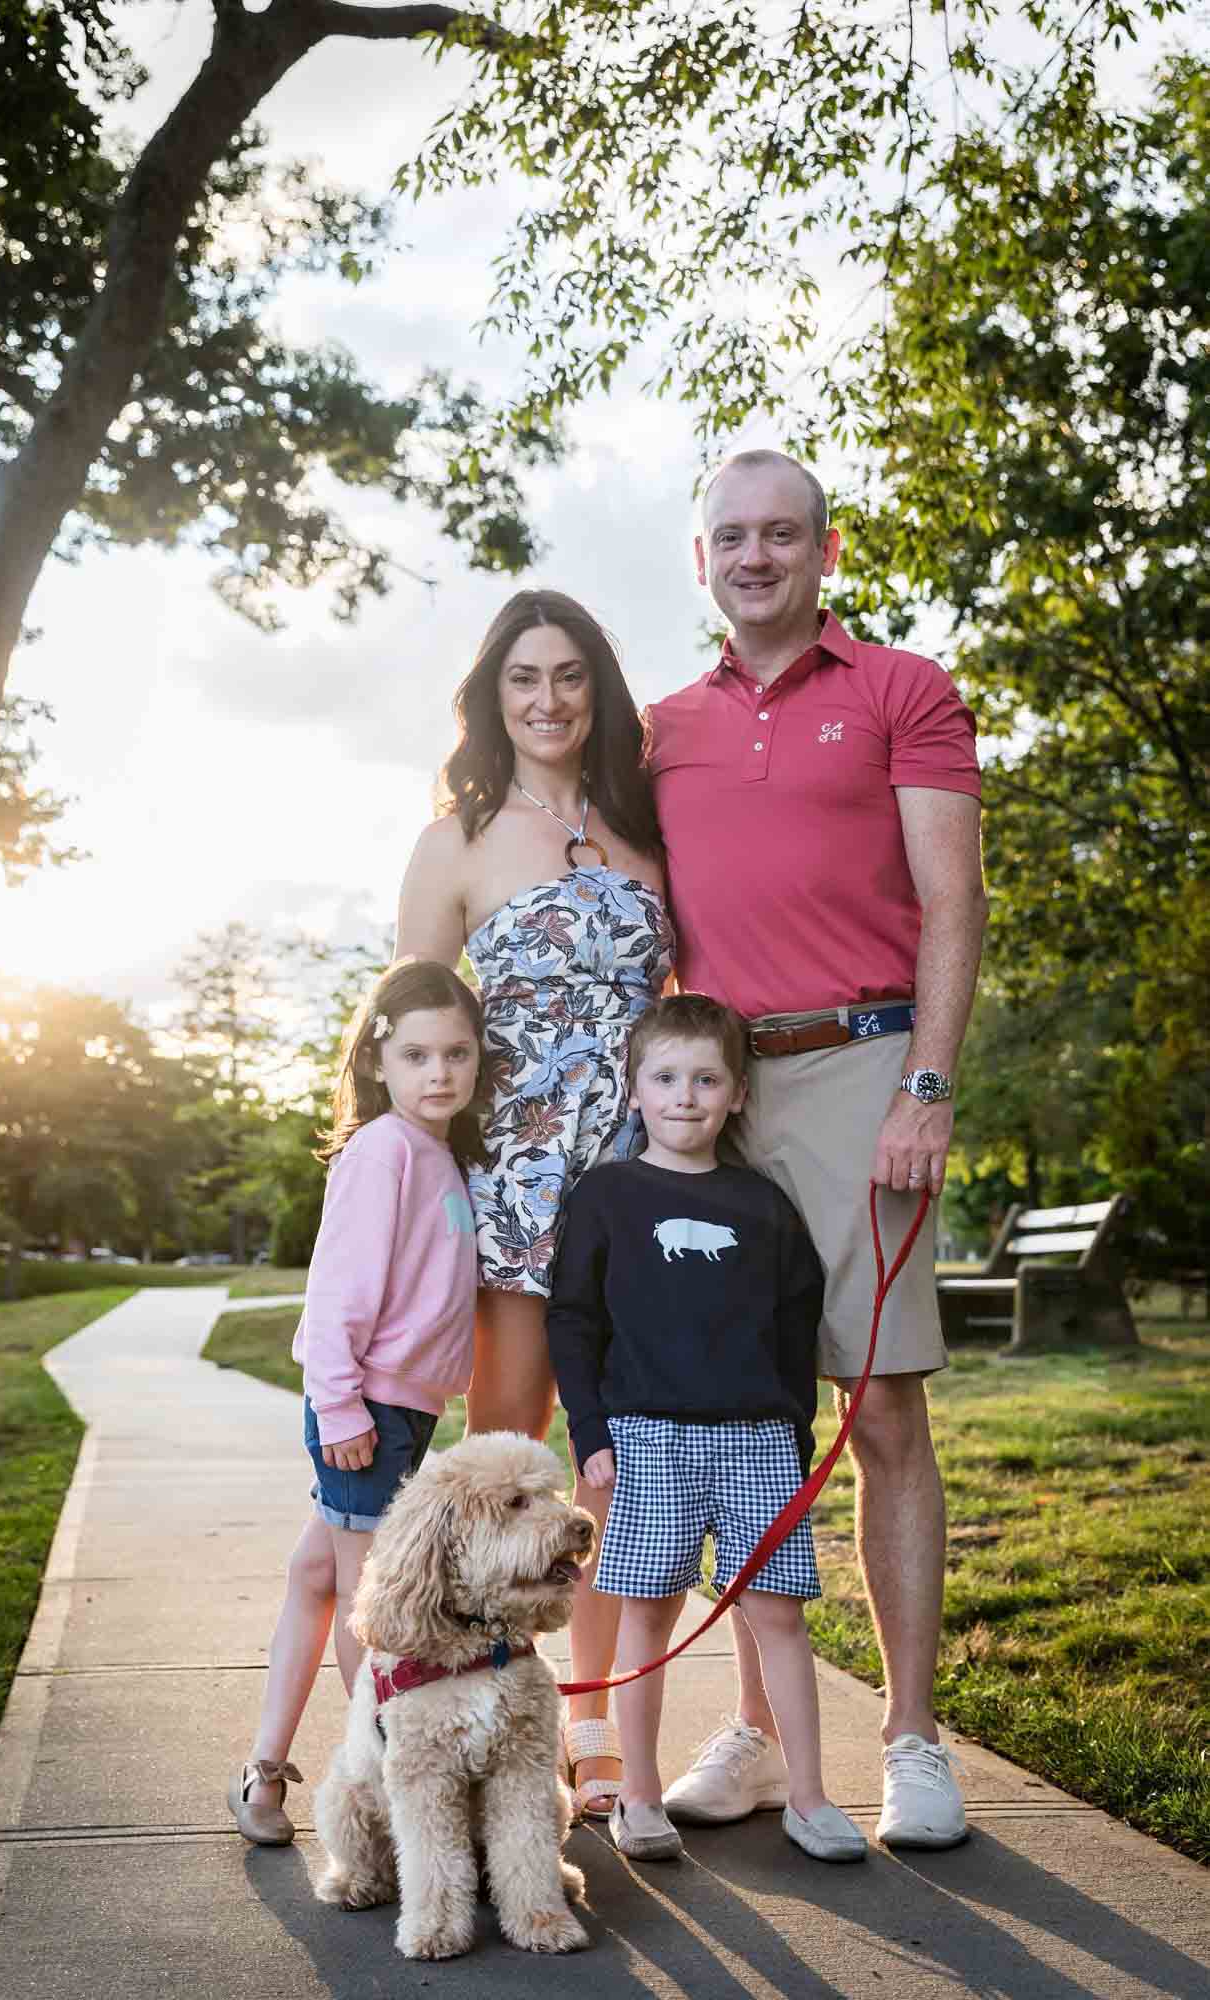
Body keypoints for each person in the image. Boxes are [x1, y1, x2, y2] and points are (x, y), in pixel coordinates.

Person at [646, 449, 988, 1848]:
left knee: (884, 1411)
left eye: (782, 534)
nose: (756, 556)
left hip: (861, 1067)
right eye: (731, 536)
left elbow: (953, 900)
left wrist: (927, 1082)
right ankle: (765, 1736)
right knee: (740, 1426)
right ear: (701, 560)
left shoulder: (903, 690)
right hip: (715, 1094)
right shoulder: (659, 728)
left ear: (825, 551)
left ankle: (911, 1739)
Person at [395, 588, 673, 1817]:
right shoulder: (453, 837)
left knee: (615, 1470)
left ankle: (593, 1719)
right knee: (504, 1473)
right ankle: (473, 1721)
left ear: (597, 688)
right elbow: (408, 1031)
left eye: (569, 674)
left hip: (635, 1198)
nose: (548, 698)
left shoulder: (645, 824)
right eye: (523, 677)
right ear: (491, 695)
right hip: (510, 1197)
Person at [546, 993, 866, 1864]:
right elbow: (572, 1318)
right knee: (644, 1619)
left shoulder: (761, 1206)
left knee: (778, 1617)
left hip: (757, 1442)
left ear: (735, 1095)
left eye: (704, 1079)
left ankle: (808, 1797)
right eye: (664, 1077)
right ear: (634, 1088)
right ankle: (640, 1798)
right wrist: (590, 1432)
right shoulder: (607, 1195)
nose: (684, 1095)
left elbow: (796, 1319)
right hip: (646, 1438)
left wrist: (791, 1431)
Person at [227, 958, 485, 1843]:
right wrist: (338, 1408)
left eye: (457, 1053)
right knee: (375, 1607)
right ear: (379, 1062)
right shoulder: (382, 1152)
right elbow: (338, 1293)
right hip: (363, 1411)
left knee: (315, 1578)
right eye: (417, 1055)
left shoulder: (436, 1151)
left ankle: (263, 1775)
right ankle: (385, 1799)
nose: (439, 1073)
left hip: (400, 1411)